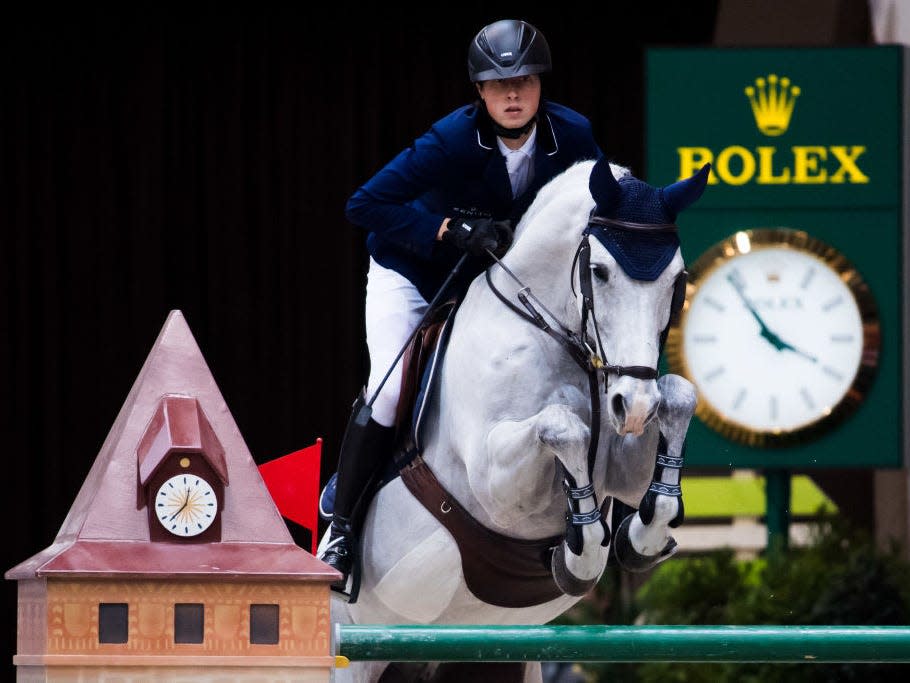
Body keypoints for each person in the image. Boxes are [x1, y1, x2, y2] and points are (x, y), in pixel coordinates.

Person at [318, 18, 604, 594]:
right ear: (480, 92)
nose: (514, 95)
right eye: (499, 86)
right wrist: (446, 228)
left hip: (492, 286)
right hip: (413, 272)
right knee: (392, 386)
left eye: (523, 80)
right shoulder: (452, 139)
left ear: (541, 83)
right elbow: (364, 204)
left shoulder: (572, 136)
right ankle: (341, 527)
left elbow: (598, 206)